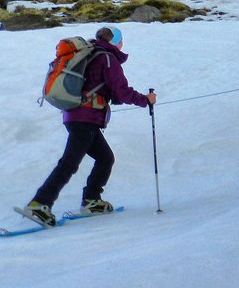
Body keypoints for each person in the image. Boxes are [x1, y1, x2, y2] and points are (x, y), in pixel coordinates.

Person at [21, 26, 156, 227]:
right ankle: (40, 204)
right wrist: (146, 100)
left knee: (105, 158)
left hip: (74, 115)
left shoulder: (90, 54)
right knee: (69, 163)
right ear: (115, 42)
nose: (122, 44)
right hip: (86, 117)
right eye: (120, 40)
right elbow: (122, 91)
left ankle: (91, 200)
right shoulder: (108, 58)